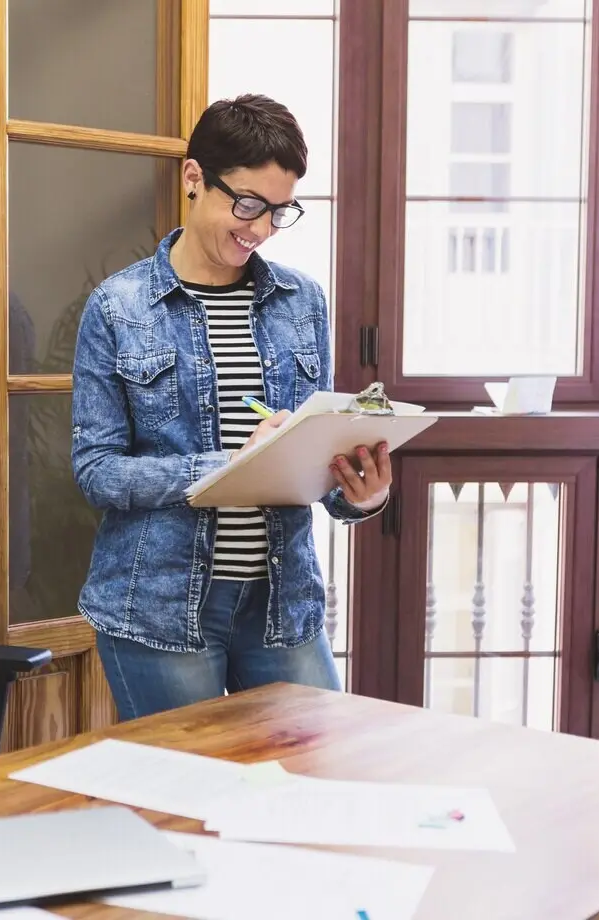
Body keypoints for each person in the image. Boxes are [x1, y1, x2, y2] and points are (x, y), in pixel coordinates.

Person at [70, 94, 391, 721]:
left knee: (317, 770)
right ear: (194, 177)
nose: (261, 229)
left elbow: (317, 464)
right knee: (190, 785)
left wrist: (360, 493)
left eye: (279, 211)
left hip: (282, 605)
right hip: (159, 607)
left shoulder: (303, 302)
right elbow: (97, 471)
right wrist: (227, 467)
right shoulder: (118, 307)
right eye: (247, 204)